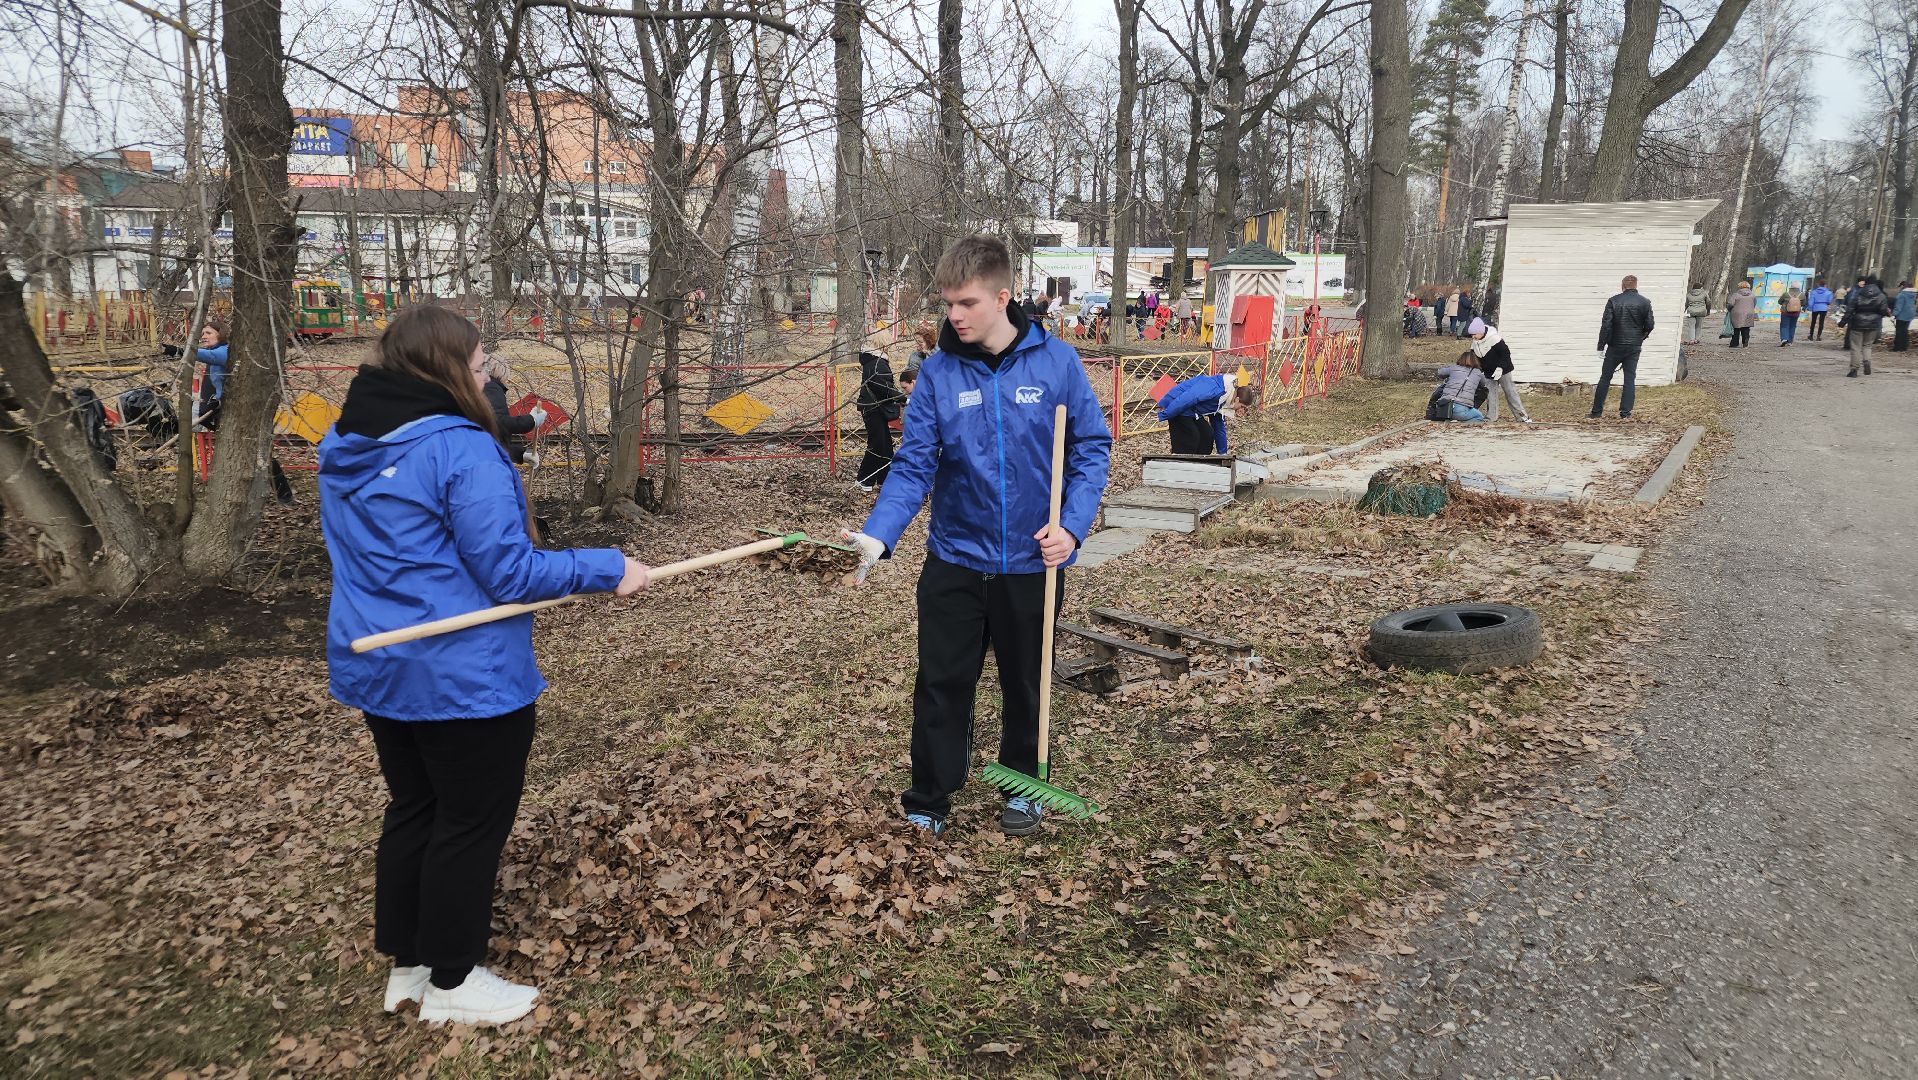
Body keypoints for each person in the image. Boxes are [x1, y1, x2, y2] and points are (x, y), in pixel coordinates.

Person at [318, 305, 650, 1027]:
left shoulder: (343, 441)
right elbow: (509, 571)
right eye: (478, 364)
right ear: (442, 370)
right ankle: (451, 978)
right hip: (462, 675)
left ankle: (406, 967)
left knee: (416, 808)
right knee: (468, 821)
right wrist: (609, 565)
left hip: (384, 668)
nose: (488, 375)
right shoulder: (458, 449)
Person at [841, 235, 1112, 839]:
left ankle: (1024, 783)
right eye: (947, 304)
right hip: (956, 560)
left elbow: (1092, 449)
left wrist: (1071, 527)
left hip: (1031, 561)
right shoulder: (938, 373)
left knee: (1026, 679)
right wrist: (878, 536)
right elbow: (914, 465)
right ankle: (932, 794)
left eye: (965, 303)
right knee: (942, 679)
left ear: (1002, 297)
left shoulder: (1056, 363)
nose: (953, 316)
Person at [164, 315, 294, 504]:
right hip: (225, 412)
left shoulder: (225, 351)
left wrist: (179, 351)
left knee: (260, 455)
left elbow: (210, 357)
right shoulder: (216, 354)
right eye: (202, 334)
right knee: (242, 454)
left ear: (221, 334)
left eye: (208, 333)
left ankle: (284, 495)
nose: (204, 336)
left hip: (245, 414)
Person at [1592, 274, 1654, 420]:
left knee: (1605, 378)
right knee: (1630, 379)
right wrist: (1641, 337)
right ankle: (1625, 414)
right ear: (1636, 286)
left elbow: (1606, 325)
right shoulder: (1645, 302)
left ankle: (1596, 412)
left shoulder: (1614, 301)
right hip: (1634, 346)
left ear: (1623, 286)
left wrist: (1601, 346)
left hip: (1615, 345)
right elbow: (1650, 325)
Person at [1157, 371, 1256, 454]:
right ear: (1237, 399)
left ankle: (1200, 466)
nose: (1241, 410)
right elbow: (1189, 397)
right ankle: (1181, 466)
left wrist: (1223, 454)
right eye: (1243, 407)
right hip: (1177, 405)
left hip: (1191, 411)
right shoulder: (1217, 389)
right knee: (1192, 436)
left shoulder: (1225, 400)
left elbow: (1219, 427)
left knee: (1207, 435)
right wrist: (1166, 413)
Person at [482, 358, 547, 465]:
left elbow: (488, 442)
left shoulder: (477, 389)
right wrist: (532, 420)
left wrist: (520, 455)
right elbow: (500, 423)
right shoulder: (491, 387)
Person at [855, 349, 903, 490]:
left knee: (884, 444)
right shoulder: (878, 363)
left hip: (871, 407)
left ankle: (884, 479)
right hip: (874, 408)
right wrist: (903, 398)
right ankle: (864, 479)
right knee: (878, 444)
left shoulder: (870, 361)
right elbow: (884, 387)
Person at [1467, 317, 1531, 423]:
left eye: (1475, 334)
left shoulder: (1494, 338)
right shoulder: (1475, 343)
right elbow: (1474, 357)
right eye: (1471, 335)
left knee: (1510, 392)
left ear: (1481, 331)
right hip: (1488, 372)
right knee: (1490, 394)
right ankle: (1492, 417)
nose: (1473, 337)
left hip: (1503, 370)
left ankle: (1522, 417)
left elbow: (1505, 354)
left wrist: (1500, 368)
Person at [1844, 275, 1891, 376]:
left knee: (1856, 346)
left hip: (1857, 323)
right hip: (1873, 324)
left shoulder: (1858, 293)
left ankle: (1854, 370)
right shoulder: (1881, 295)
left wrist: (1843, 321)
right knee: (1867, 345)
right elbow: (1883, 311)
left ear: (1866, 282)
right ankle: (1867, 362)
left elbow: (1850, 308)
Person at [1434, 351, 1487, 422]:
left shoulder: (1454, 368)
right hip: (1461, 408)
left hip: (1443, 407)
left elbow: (1440, 372)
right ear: (1475, 361)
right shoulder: (1478, 373)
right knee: (1479, 417)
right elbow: (1484, 384)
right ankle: (1460, 424)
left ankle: (1452, 421)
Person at [1725, 280, 1756, 348]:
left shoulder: (1736, 295)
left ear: (1740, 286)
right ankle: (1745, 341)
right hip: (1749, 313)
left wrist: (1729, 309)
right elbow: (1754, 304)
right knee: (1746, 328)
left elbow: (1730, 303)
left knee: (1736, 329)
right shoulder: (1752, 295)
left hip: (1737, 314)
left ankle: (1734, 343)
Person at [1891, 280, 1915, 352]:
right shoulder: (1913, 294)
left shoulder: (1902, 295)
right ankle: (1904, 346)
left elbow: (1899, 306)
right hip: (1910, 314)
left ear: (1902, 286)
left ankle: (1898, 347)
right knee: (1905, 330)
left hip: (1902, 314)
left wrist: (1894, 314)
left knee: (1899, 331)